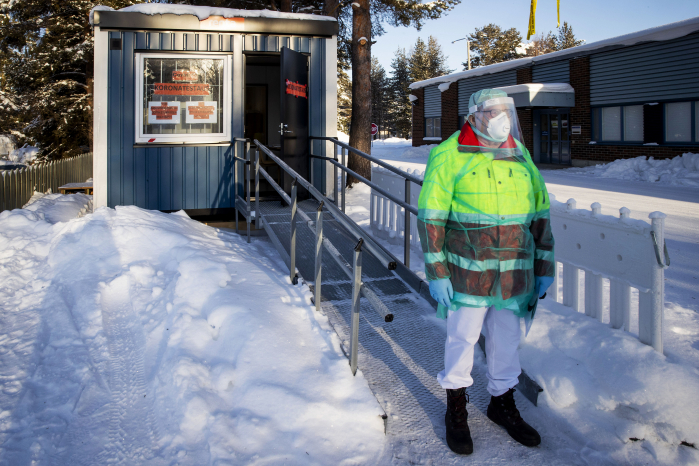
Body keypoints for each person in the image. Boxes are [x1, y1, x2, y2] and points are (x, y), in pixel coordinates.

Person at [417, 88, 555, 455]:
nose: (501, 118)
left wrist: (543, 266)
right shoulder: (449, 155)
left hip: (514, 274)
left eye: (506, 111)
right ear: (474, 115)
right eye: (493, 111)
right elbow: (431, 217)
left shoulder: (519, 154)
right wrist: (438, 272)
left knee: (506, 340)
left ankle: (502, 403)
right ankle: (456, 408)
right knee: (462, 339)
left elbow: (540, 214)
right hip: (467, 273)